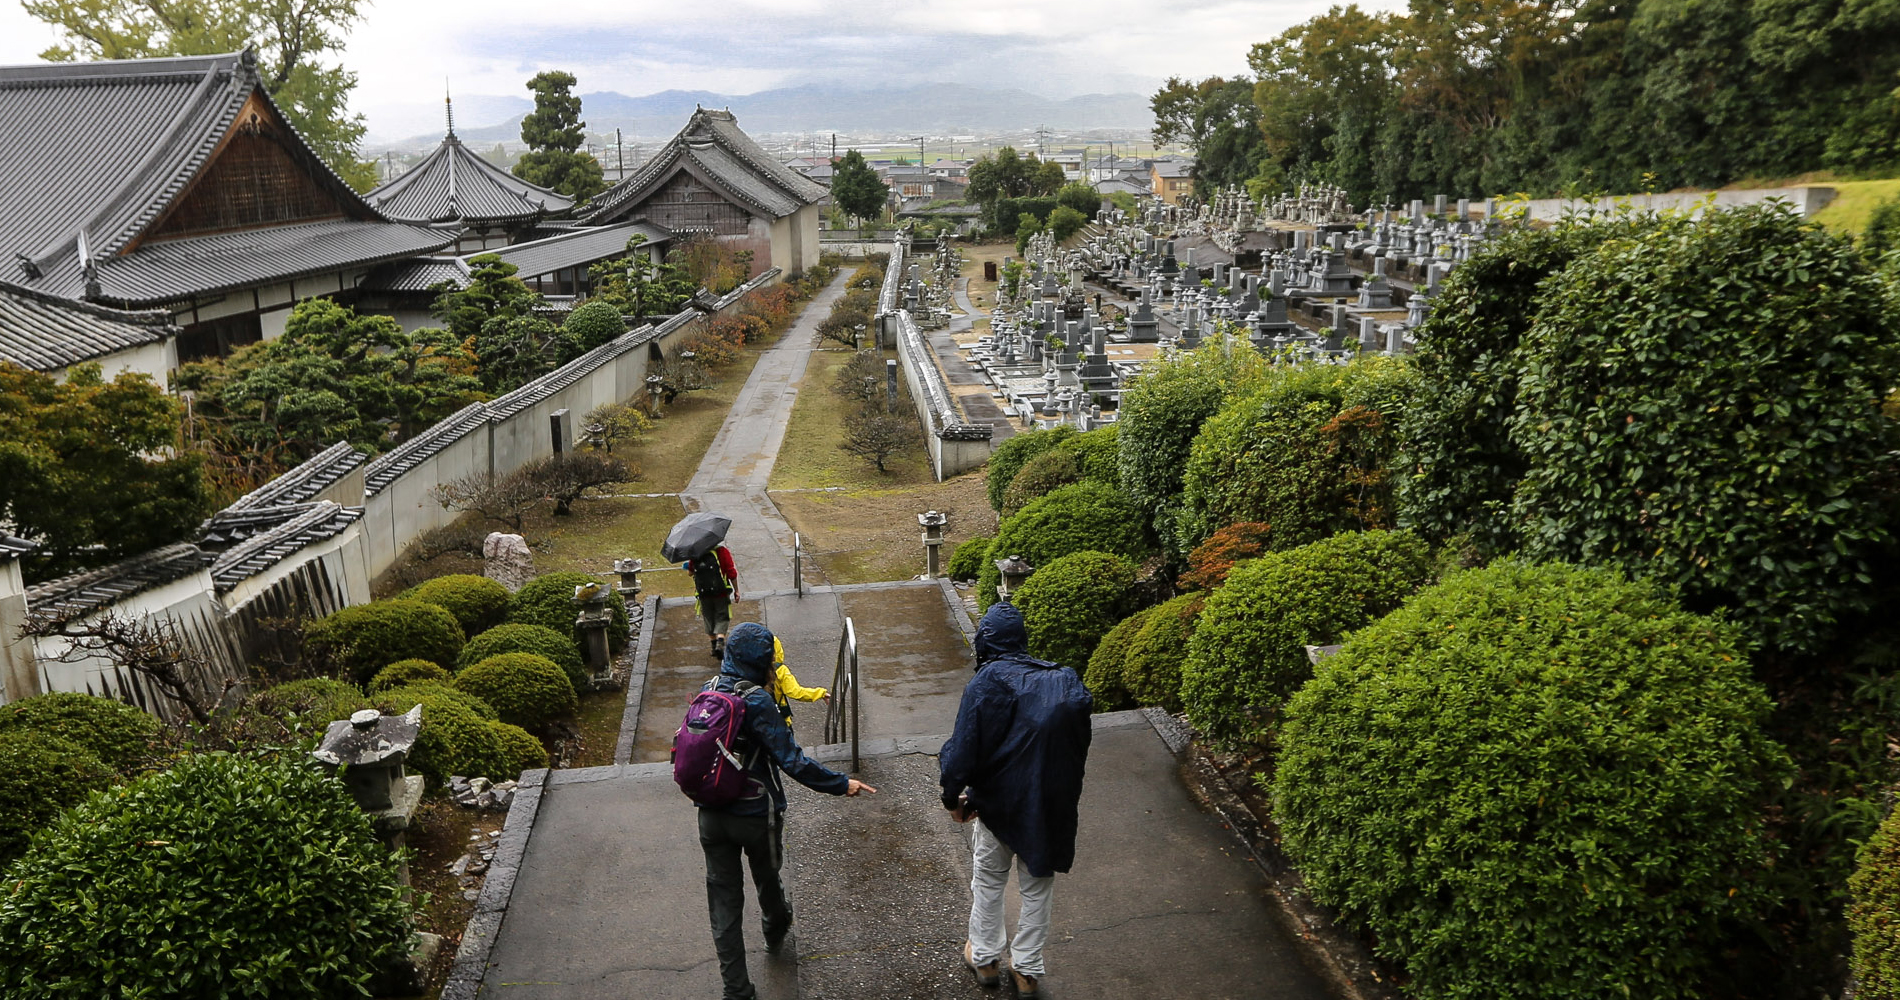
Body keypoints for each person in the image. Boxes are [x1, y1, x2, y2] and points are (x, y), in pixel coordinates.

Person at [697, 622, 875, 1000]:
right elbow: (792, 761)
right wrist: (841, 784)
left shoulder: (707, 692)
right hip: (755, 812)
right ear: (763, 664)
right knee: (766, 877)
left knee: (724, 902)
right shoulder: (757, 700)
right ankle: (775, 926)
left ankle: (736, 990)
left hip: (711, 813)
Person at [939, 600, 1093, 997]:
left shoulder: (988, 682)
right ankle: (1026, 969)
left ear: (984, 640)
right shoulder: (1065, 679)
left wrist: (952, 798)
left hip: (998, 806)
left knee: (989, 878)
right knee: (1037, 884)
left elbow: (962, 752)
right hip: (1050, 807)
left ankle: (986, 958)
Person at [685, 543, 739, 658]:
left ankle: (713, 646)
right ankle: (720, 640)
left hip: (704, 593)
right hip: (721, 592)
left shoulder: (695, 552)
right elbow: (731, 572)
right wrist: (736, 590)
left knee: (708, 617)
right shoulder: (722, 551)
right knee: (722, 615)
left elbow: (690, 572)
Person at [769, 636, 828, 731]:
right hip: (780, 720)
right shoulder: (780, 671)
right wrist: (820, 693)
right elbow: (795, 692)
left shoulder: (748, 670)